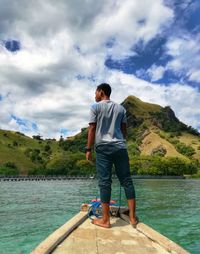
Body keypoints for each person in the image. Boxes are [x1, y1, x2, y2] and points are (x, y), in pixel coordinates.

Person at [85, 83, 138, 228]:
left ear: (101, 92)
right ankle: (132, 217)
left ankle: (106, 220)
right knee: (127, 180)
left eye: (95, 92)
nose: (94, 95)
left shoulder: (95, 107)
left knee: (105, 182)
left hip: (103, 148)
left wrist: (88, 149)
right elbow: (124, 131)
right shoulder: (121, 109)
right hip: (120, 147)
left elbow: (92, 128)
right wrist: (118, 138)